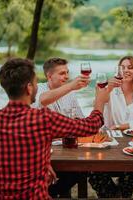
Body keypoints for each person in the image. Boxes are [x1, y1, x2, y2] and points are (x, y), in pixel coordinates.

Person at [0, 58, 109, 200]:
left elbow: (17, 149)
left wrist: (43, 163)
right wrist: (100, 101)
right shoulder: (43, 118)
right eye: (35, 83)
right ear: (29, 88)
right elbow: (91, 126)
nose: (37, 87)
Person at [89, 56, 133, 198]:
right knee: (93, 170)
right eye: (122, 67)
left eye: (130, 67)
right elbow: (96, 109)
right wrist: (108, 88)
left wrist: (119, 126)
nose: (126, 70)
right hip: (110, 143)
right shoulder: (111, 91)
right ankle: (113, 195)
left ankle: (122, 193)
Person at [32, 57, 88, 197]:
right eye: (62, 73)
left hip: (67, 146)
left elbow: (81, 119)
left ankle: (50, 194)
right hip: (44, 149)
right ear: (49, 75)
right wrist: (71, 86)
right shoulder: (38, 89)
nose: (67, 76)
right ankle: (48, 194)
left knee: (83, 168)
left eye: (67, 72)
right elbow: (43, 99)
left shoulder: (70, 93)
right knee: (72, 172)